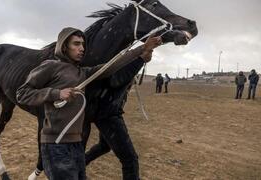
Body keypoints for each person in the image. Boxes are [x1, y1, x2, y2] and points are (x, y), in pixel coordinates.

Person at [16, 27, 162, 180]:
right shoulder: (51, 66)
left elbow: (111, 65)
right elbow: (22, 93)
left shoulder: (83, 73)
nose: (82, 49)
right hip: (56, 146)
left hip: (77, 145)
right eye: (76, 44)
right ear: (64, 46)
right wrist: (56, 93)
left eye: (83, 45)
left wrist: (143, 48)